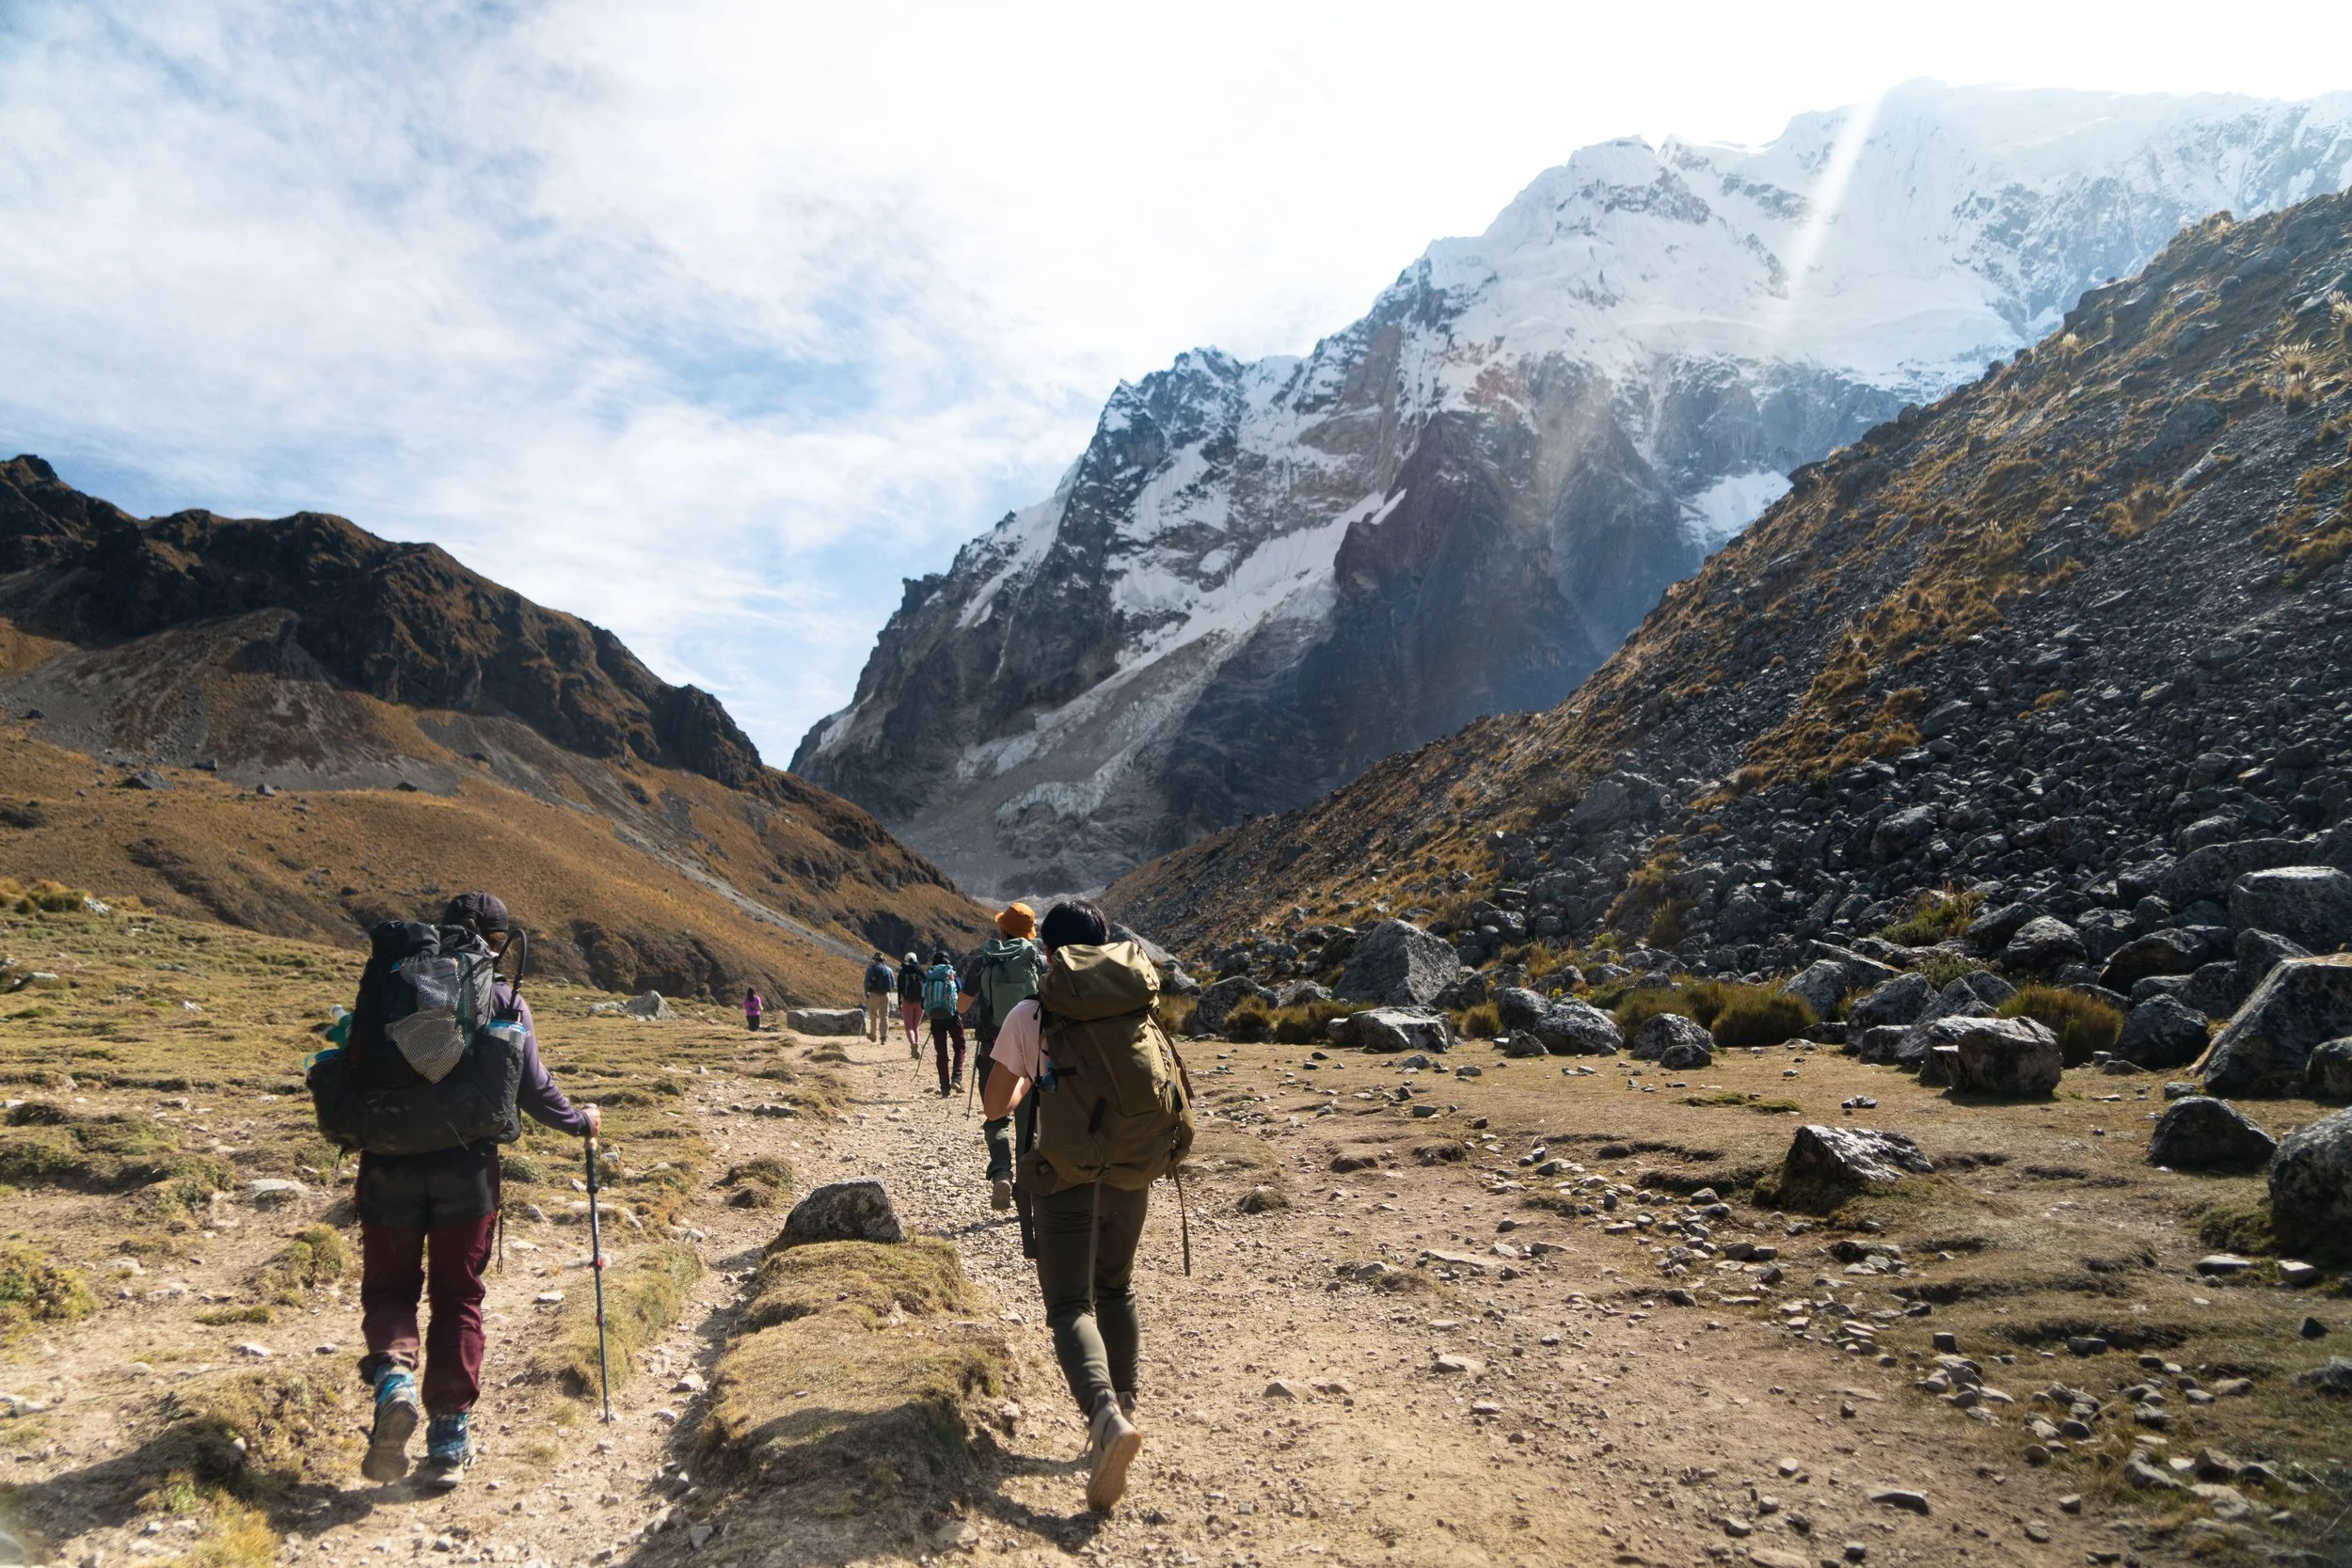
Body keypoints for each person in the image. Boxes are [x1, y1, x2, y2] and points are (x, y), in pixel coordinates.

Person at [355, 892, 598, 1491]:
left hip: (387, 1162)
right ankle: (447, 1437)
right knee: (458, 1297)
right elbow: (534, 1090)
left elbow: (355, 1062)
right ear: (497, 938)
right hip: (466, 1172)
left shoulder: (395, 982)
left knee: (390, 1288)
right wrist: (581, 1122)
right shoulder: (501, 996)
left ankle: (394, 1382)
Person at [981, 898, 1192, 1513]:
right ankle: (1124, 1403)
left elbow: (996, 1106)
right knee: (1117, 1287)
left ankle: (1104, 1418)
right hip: (1132, 1169)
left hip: (1063, 1174)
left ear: (1048, 953)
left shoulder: (1032, 1012)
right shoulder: (1136, 1003)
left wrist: (1025, 1082)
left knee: (1071, 1303)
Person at [965, 903, 1045, 1212]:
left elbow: (961, 1007)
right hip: (1031, 1053)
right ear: (1028, 933)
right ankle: (1027, 1191)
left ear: (1002, 929)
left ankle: (1001, 1172)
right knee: (1029, 1125)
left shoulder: (981, 962)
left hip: (992, 1051)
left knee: (996, 1116)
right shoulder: (1038, 962)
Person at [922, 948, 965, 1096]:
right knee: (959, 1046)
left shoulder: (930, 977)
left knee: (941, 1052)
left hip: (935, 1018)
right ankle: (957, 1078)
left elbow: (923, 1000)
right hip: (952, 1016)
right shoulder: (952, 975)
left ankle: (945, 1088)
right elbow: (960, 993)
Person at [862, 953, 897, 1042]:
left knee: (873, 1016)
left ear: (875, 960)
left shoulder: (871, 969)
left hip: (873, 995)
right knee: (884, 1016)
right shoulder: (889, 970)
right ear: (883, 960)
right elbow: (893, 984)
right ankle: (883, 1037)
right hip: (885, 995)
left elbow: (866, 982)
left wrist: (866, 993)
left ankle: (873, 1036)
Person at [896, 950, 925, 1057]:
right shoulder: (920, 970)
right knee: (916, 1026)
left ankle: (913, 1044)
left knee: (909, 1027)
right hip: (919, 1002)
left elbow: (899, 989)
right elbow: (926, 983)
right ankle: (915, 1047)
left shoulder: (902, 972)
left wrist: (899, 1003)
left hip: (907, 1001)